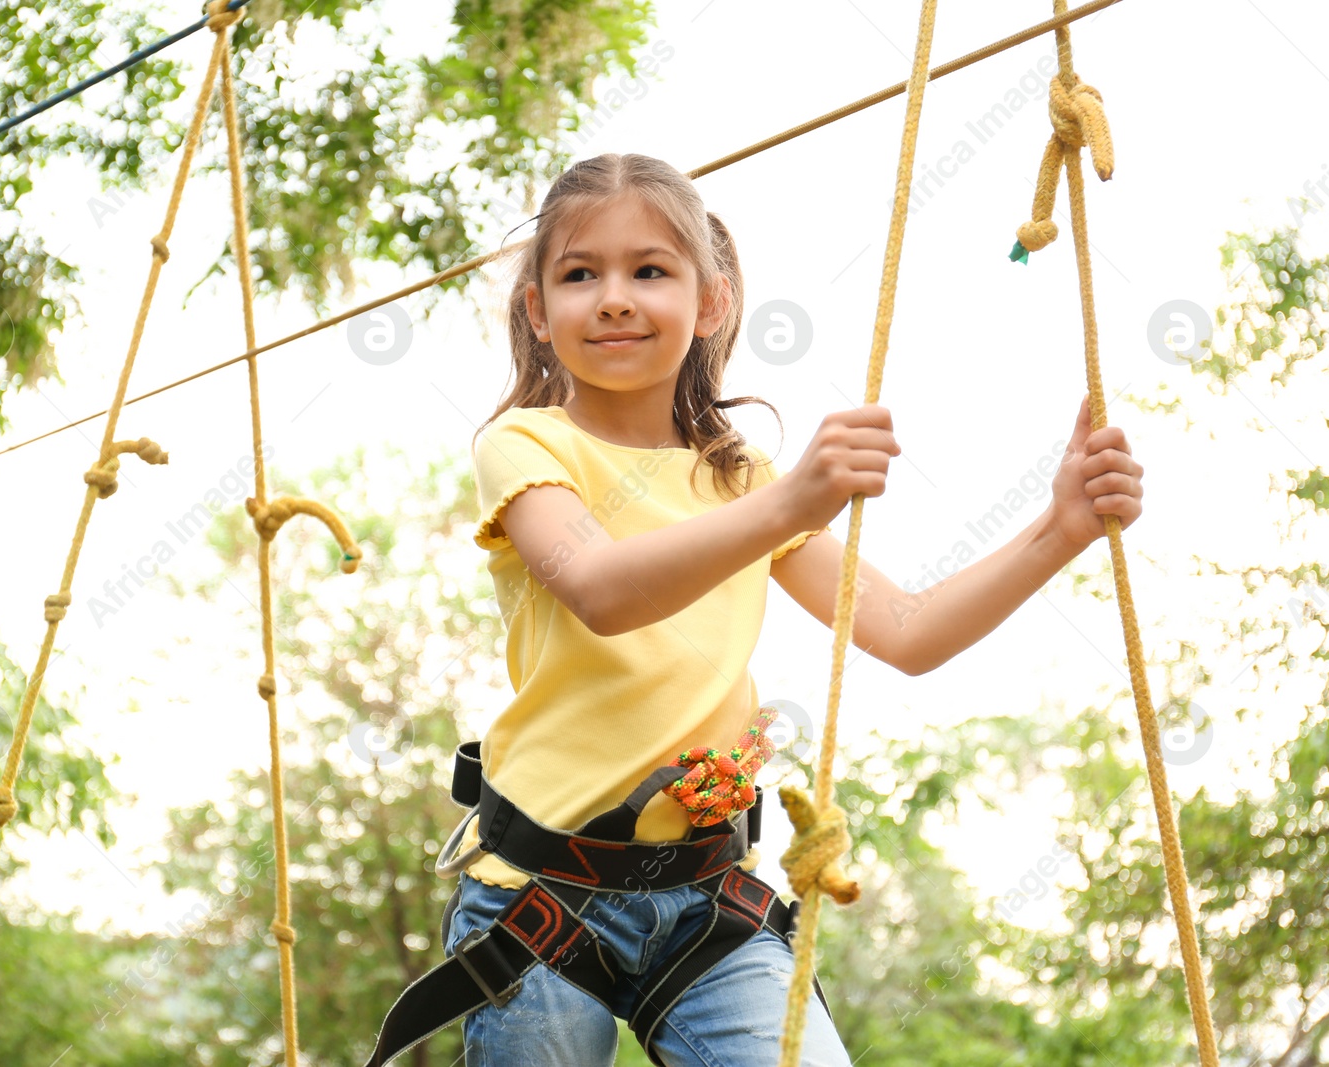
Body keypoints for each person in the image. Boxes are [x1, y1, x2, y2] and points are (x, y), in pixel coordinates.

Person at [446, 152, 1144, 1065]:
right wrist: (787, 504)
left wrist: (1059, 530)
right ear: (539, 312)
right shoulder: (525, 443)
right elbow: (601, 590)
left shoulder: (737, 480)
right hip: (539, 887)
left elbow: (905, 631)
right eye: (581, 275)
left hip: (704, 900)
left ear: (711, 304)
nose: (614, 297)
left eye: (649, 270)